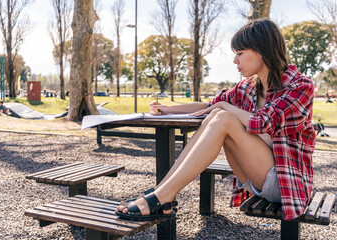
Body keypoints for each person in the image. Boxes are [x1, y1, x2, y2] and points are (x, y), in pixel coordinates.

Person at [116, 19, 316, 222]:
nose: (235, 61)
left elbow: (263, 122)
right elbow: (210, 105)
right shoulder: (247, 88)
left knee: (224, 117)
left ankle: (162, 197)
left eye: (240, 53)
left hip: (286, 183)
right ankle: (162, 193)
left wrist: (226, 108)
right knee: (218, 115)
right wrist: (167, 109)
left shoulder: (299, 86)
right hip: (255, 176)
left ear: (261, 51)